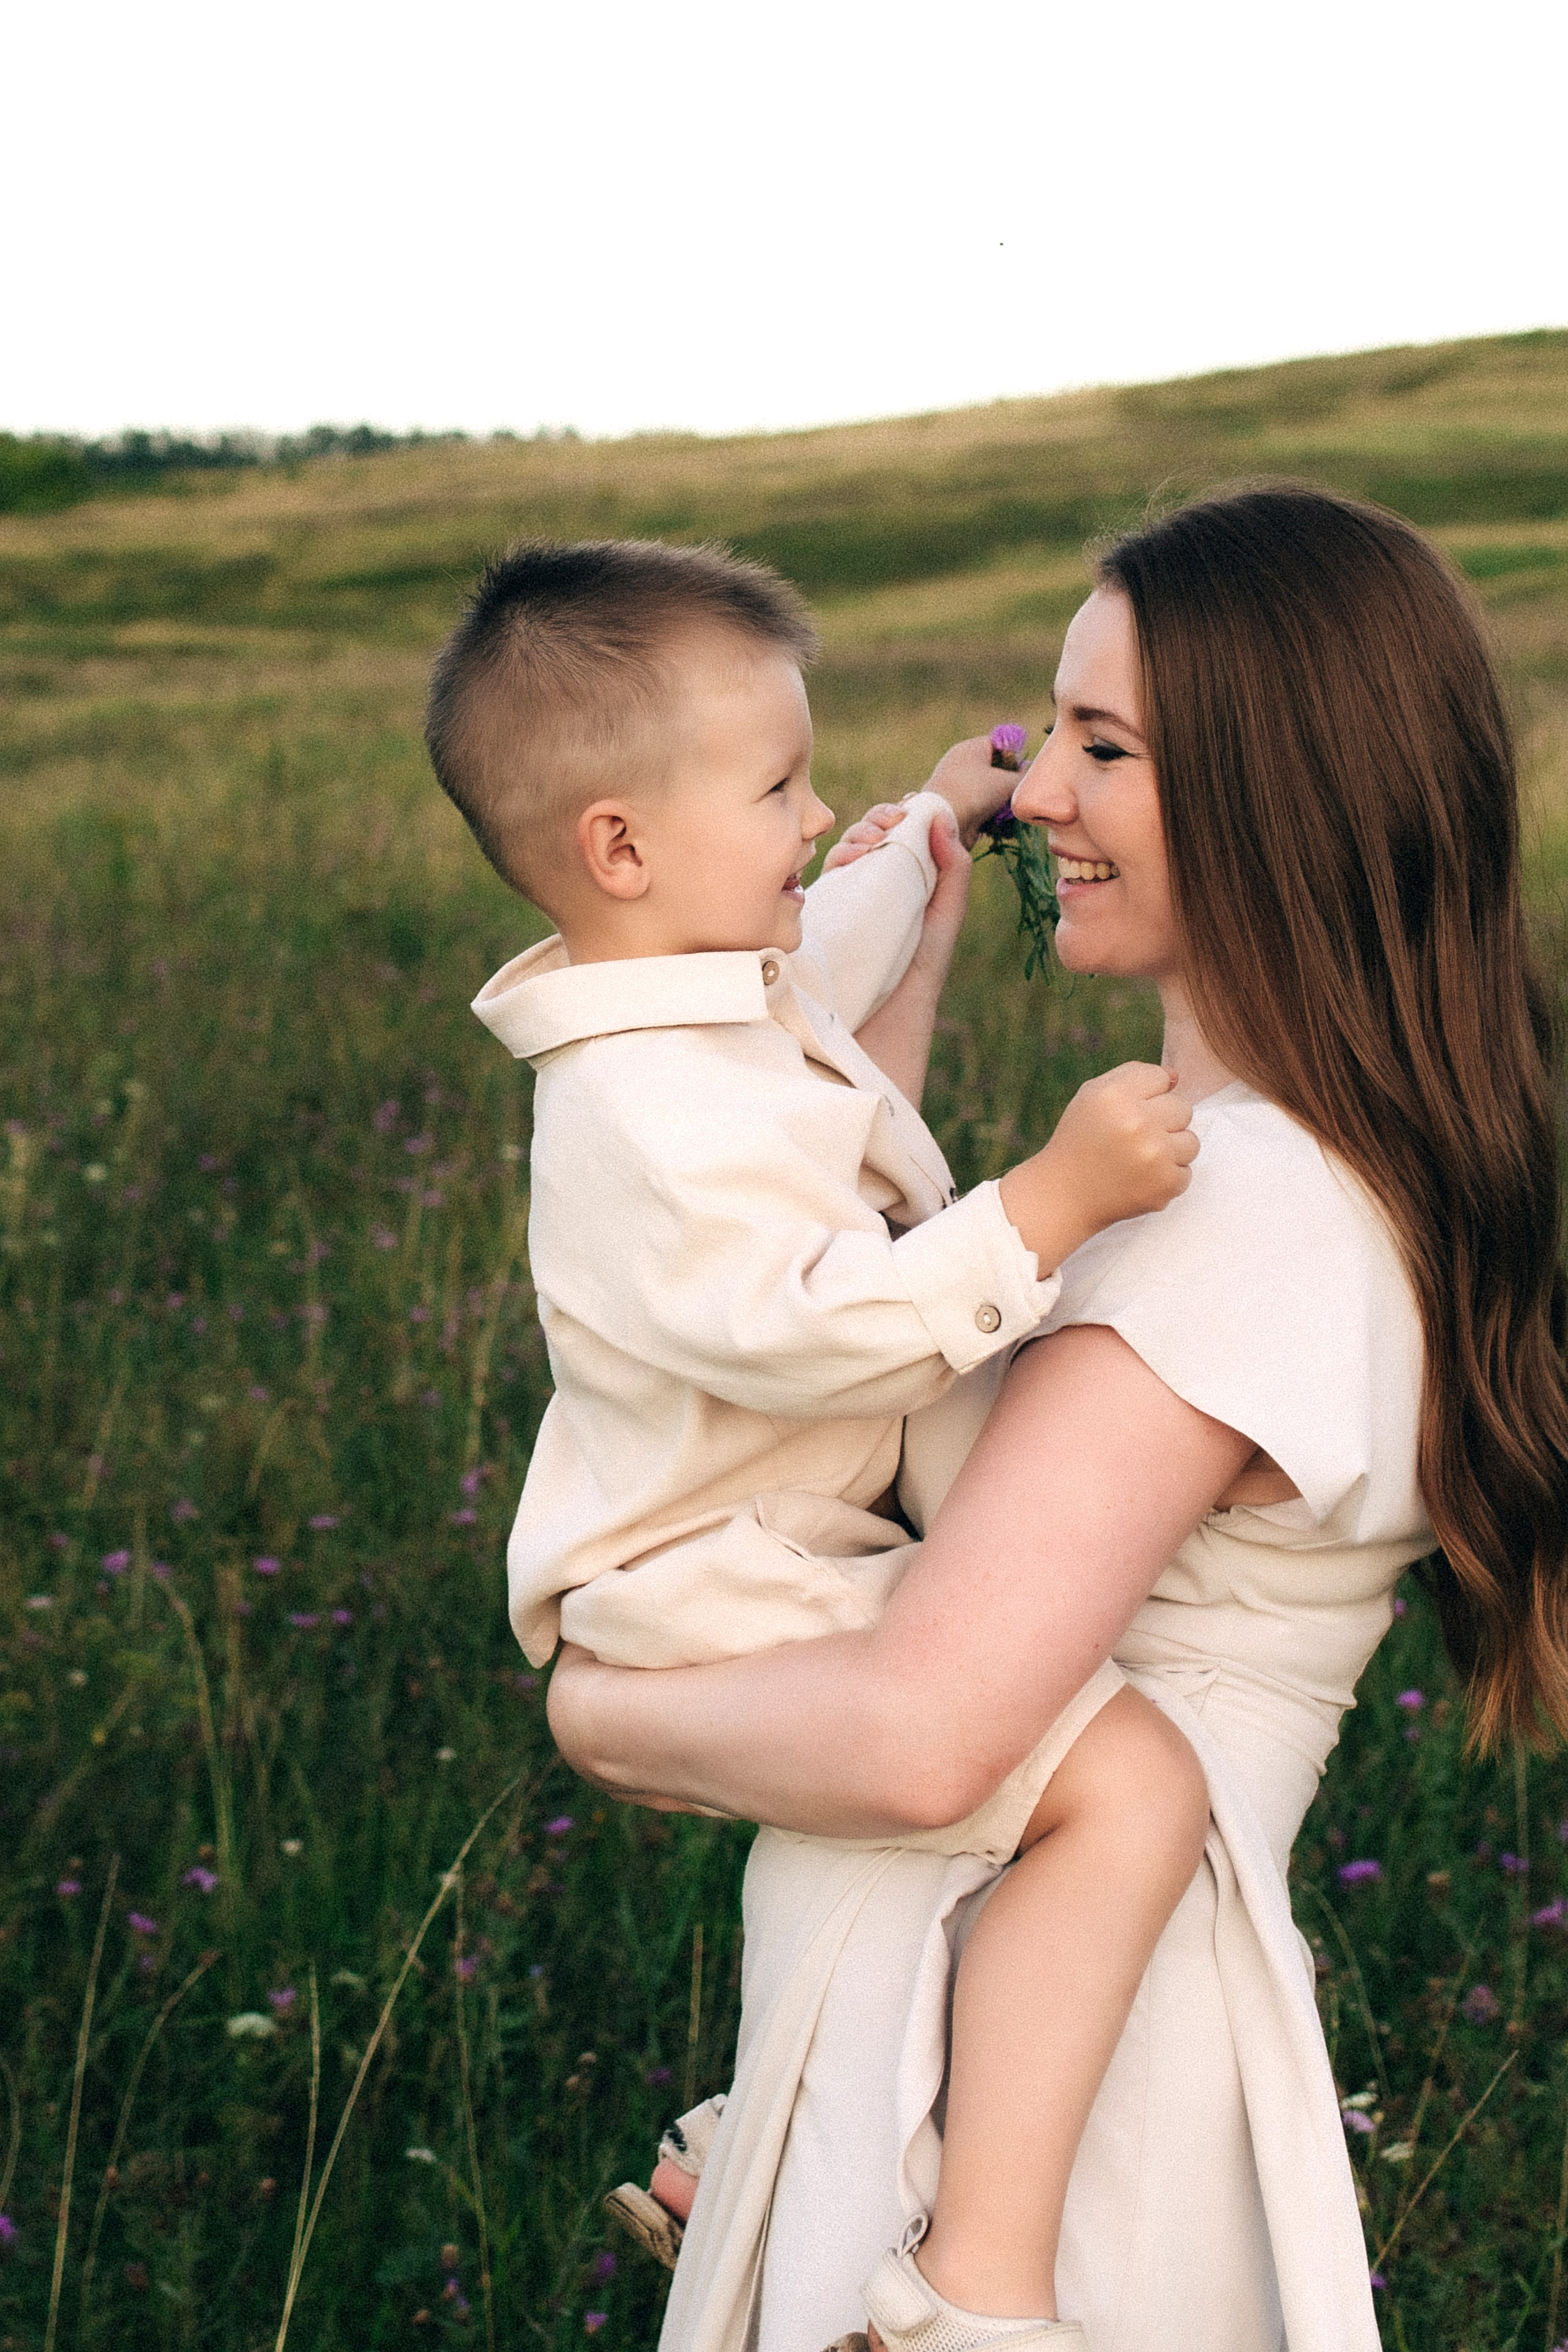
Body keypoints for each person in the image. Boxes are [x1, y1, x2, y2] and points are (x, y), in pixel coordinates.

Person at [547, 486, 1568, 2352]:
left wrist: (596, 1709)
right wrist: (901, 961)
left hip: (1073, 2128)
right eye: (1049, 739)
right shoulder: (1282, 1177)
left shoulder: (1243, 1206)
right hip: (1010, 2046)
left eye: (1109, 748)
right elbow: (847, 1327)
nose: (1042, 799)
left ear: (1287, 793)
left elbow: (926, 1735)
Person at [424, 537, 1209, 2352]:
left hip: (777, 1550)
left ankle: (786, 2114)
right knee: (1120, 1785)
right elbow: (810, 1323)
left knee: (953, 1811)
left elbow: (829, 942)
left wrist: (924, 834)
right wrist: (1047, 1205)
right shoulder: (637, 1120)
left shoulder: (706, 966)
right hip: (713, 1590)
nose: (804, 816)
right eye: (777, 785)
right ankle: (972, 2293)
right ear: (622, 848)